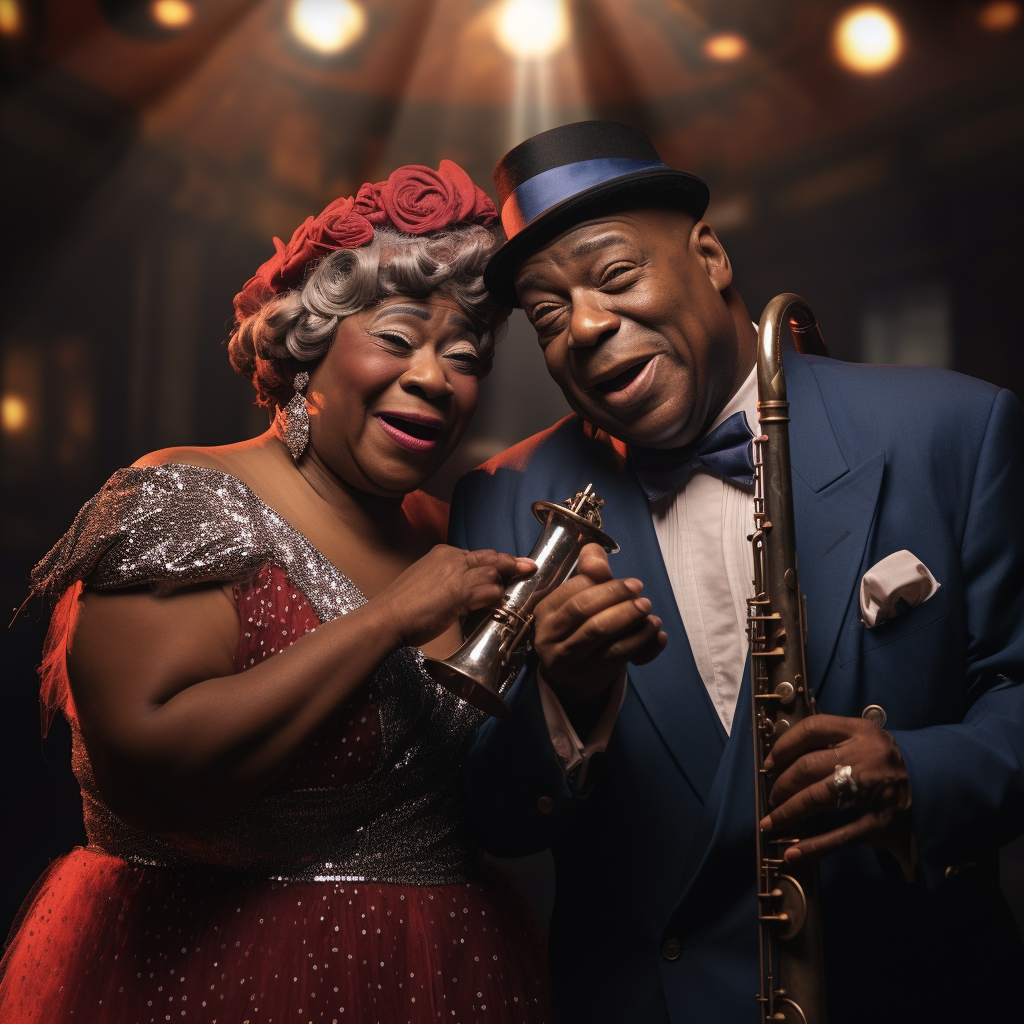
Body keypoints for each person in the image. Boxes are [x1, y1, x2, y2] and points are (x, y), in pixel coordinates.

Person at [450, 121, 1024, 1024]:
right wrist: (563, 697)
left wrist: (924, 771)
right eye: (548, 316)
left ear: (710, 256)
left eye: (614, 276)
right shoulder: (501, 499)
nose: (588, 328)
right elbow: (485, 818)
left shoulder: (954, 429)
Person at [0, 161, 553, 1023]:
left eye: (465, 355)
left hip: (443, 979)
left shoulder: (459, 535)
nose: (437, 378)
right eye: (400, 338)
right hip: (202, 981)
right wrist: (390, 621)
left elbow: (509, 802)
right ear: (309, 353)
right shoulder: (190, 497)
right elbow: (145, 769)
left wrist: (585, 673)